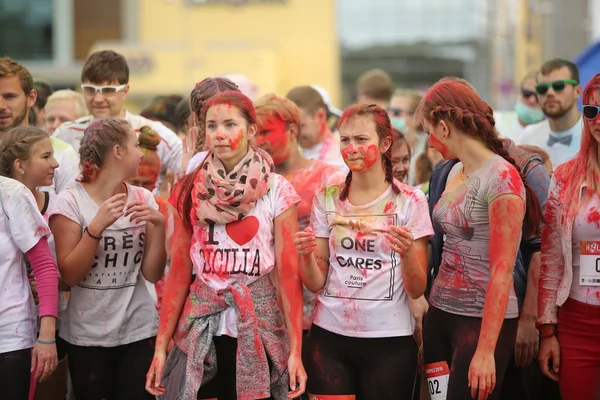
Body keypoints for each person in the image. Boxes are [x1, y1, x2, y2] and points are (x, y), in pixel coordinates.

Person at [145, 91, 306, 400]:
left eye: (230, 124)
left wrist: (295, 350)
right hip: (199, 329)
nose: (219, 134)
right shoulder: (187, 189)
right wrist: (161, 348)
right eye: (212, 126)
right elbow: (179, 271)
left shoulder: (277, 190)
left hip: (259, 327)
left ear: (252, 131)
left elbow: (288, 275)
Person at [295, 103, 433, 400]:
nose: (352, 148)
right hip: (328, 337)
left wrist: (408, 253)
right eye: (345, 140)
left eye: (361, 139)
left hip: (389, 341)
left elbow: (417, 287)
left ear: (385, 144)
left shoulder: (410, 201)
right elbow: (315, 282)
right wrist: (305, 256)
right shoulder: (327, 198)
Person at [418, 77, 544, 400]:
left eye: (429, 131)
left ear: (444, 127)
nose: (430, 142)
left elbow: (502, 270)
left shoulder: (501, 176)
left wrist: (487, 350)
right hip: (441, 318)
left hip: (480, 325)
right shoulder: (451, 172)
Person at [50, 117, 166, 400]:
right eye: (135, 146)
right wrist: (96, 228)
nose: (140, 154)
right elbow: (70, 275)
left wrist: (159, 226)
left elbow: (152, 274)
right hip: (86, 335)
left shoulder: (143, 198)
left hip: (138, 330)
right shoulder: (70, 201)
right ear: (117, 152)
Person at [253, 93, 344, 334]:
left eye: (266, 132)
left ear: (293, 130)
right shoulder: (248, 185)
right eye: (255, 134)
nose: (259, 141)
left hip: (319, 314)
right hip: (265, 315)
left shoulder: (329, 179)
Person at [538, 73, 600, 400]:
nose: (598, 120)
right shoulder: (564, 177)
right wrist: (547, 330)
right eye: (591, 111)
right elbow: (551, 259)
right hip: (578, 322)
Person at [0, 127, 71, 400]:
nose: (55, 163)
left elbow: (44, 267)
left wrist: (46, 336)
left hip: (10, 335)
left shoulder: (12, 193)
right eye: (46, 156)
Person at [53, 50, 182, 192]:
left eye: (108, 90)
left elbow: (192, 170)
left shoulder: (154, 132)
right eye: (90, 90)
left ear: (125, 91)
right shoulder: (64, 134)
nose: (98, 99)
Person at [0, 57, 79, 194]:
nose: (1, 106)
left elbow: (71, 213)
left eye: (10, 97)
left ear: (31, 98)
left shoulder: (62, 154)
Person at [127, 125, 174, 313]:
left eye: (147, 183)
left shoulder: (169, 210)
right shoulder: (110, 208)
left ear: (157, 179)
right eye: (134, 182)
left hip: (161, 306)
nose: (141, 189)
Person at [519, 59, 582, 168]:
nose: (550, 93)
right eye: (542, 88)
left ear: (577, 91)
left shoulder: (594, 133)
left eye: (559, 86)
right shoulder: (529, 136)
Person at [184, 77, 241, 174]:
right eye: (212, 125)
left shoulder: (195, 162)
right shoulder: (258, 160)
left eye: (229, 124)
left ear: (195, 119)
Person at [286, 85, 347, 170]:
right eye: (291, 128)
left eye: (301, 126)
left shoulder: (344, 154)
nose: (295, 134)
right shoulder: (289, 156)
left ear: (321, 116)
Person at [495, 72, 545, 143]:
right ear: (519, 93)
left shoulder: (552, 133)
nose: (532, 100)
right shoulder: (497, 122)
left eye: (537, 96)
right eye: (527, 93)